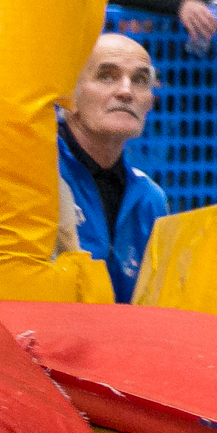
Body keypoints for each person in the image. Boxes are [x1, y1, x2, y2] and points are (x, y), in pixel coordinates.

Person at [57, 33, 170, 303]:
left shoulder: (150, 200)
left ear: (150, 103)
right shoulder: (37, 174)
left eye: (140, 80)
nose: (126, 91)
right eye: (107, 76)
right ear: (69, 94)